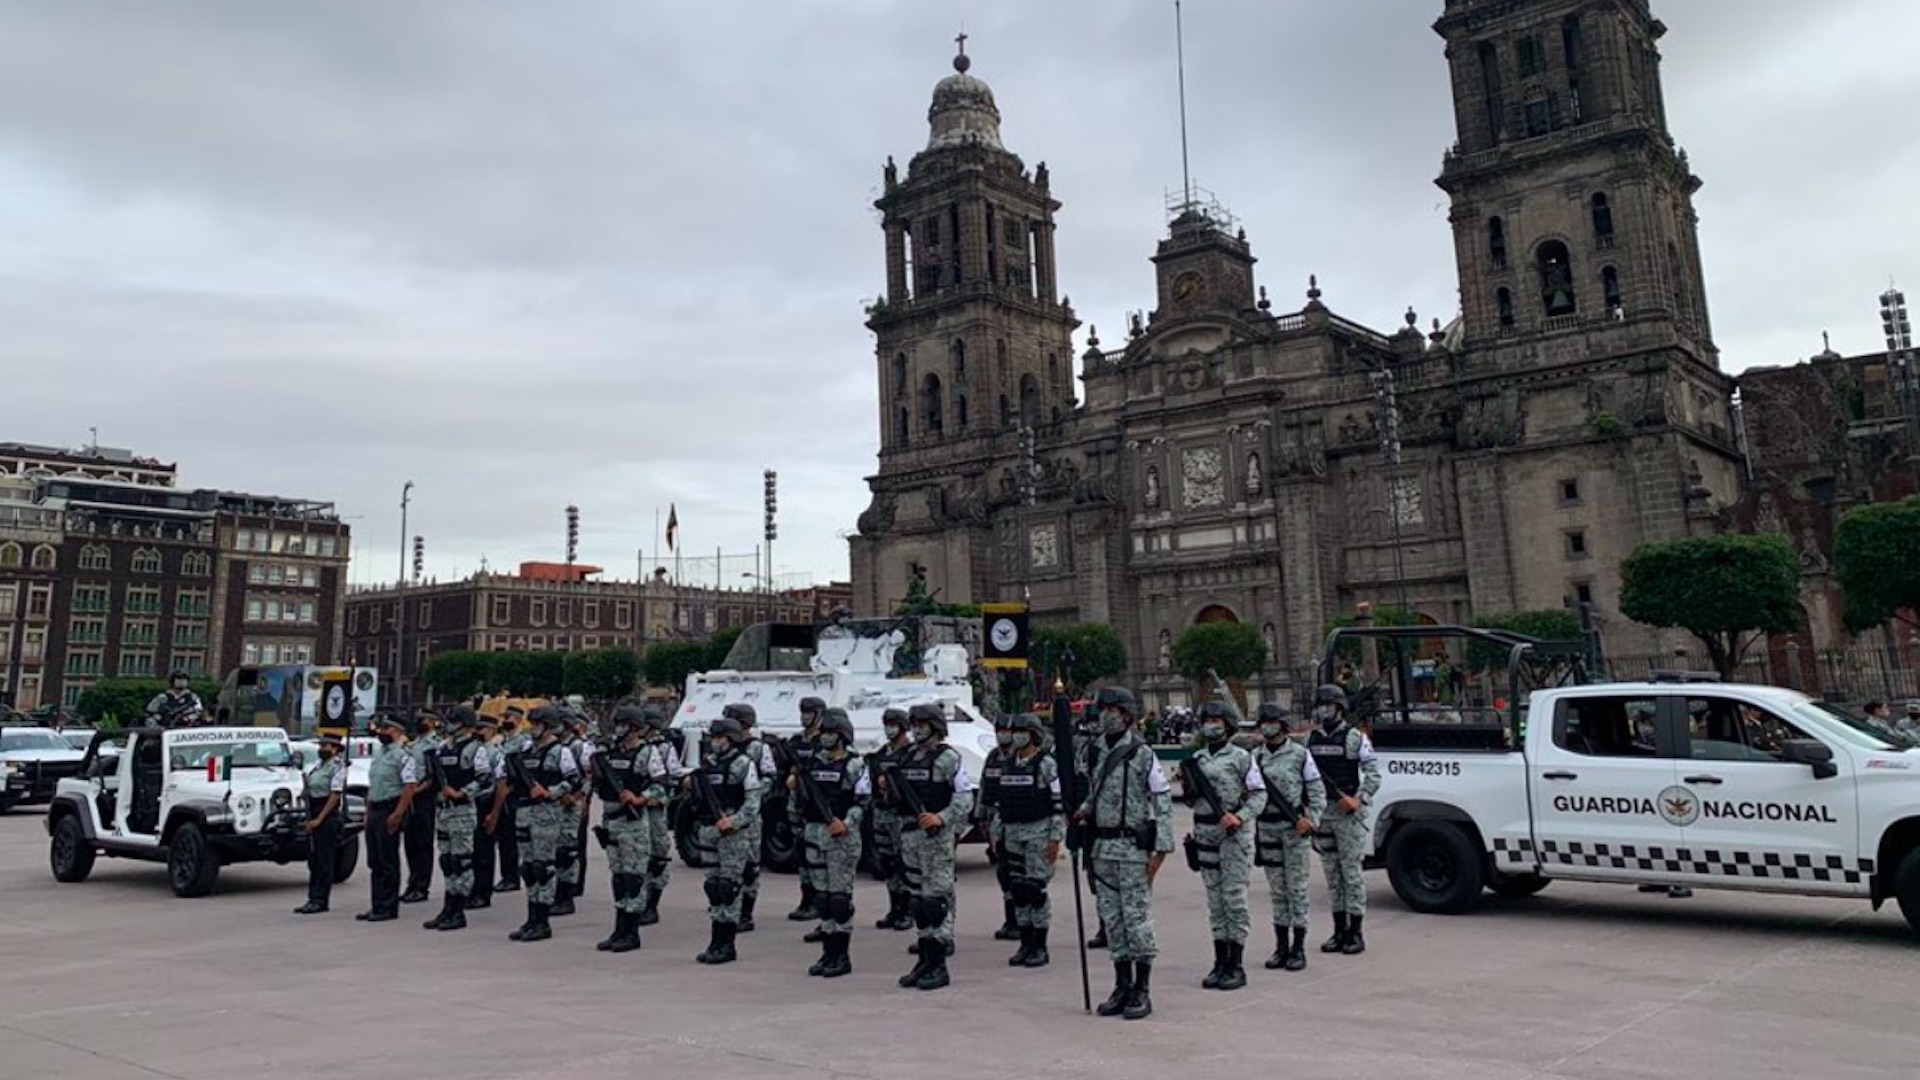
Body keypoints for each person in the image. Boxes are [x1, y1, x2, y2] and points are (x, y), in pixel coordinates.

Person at [1072, 686, 1173, 1020]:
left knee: (1136, 920)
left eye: (1113, 709)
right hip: (1102, 848)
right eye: (1103, 709)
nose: (1106, 715)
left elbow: (1162, 799)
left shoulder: (1142, 752)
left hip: (1132, 848)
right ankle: (1121, 985)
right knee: (1113, 920)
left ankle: (1142, 989)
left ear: (1127, 714)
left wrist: (1162, 849)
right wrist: (1084, 811)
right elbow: (1096, 791)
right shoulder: (1096, 749)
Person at [1183, 699, 1266, 991]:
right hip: (1205, 833)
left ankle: (1236, 963)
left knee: (1233, 899)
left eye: (1217, 720)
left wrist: (1240, 817)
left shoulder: (1242, 757)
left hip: (1233, 835)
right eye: (1207, 719)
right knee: (1215, 902)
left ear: (1228, 724)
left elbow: (1259, 795)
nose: (1211, 725)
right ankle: (1219, 961)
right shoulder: (1197, 759)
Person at [893, 703, 974, 991]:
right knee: (917, 901)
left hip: (935, 839)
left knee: (934, 902)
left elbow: (964, 798)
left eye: (922, 723)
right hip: (910, 837)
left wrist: (941, 817)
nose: (916, 729)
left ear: (935, 726)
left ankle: (939, 965)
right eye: (913, 723)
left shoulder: (948, 758)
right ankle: (924, 959)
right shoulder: (907, 758)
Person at [1307, 684, 1382, 955]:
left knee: (1351, 873)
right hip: (1322, 814)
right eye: (1320, 705)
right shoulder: (1311, 739)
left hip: (1347, 814)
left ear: (1339, 707)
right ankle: (1338, 930)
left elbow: (1374, 774)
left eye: (1328, 705)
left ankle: (1356, 932)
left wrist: (1358, 799)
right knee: (1332, 873)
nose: (1323, 710)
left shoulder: (1354, 738)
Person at [1252, 703, 1325, 972]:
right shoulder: (1255, 758)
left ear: (1283, 725)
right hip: (1267, 829)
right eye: (1264, 723)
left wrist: (1312, 820)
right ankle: (1280, 946)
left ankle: (1298, 947)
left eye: (1272, 722)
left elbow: (1316, 791)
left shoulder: (1299, 755)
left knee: (1297, 889)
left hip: (1295, 829)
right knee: (1278, 891)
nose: (1268, 727)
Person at [797, 707, 868, 978]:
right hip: (815, 836)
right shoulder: (814, 763)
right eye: (822, 732)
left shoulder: (855, 764)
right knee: (824, 900)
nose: (825, 737)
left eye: (829, 732)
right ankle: (827, 953)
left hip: (841, 839)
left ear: (842, 735)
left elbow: (863, 802)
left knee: (839, 900)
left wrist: (846, 823)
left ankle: (841, 956)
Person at [690, 715, 763, 965]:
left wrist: (733, 821)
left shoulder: (744, 764)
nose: (715, 742)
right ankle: (715, 940)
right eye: (713, 737)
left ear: (731, 739)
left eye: (720, 737)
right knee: (713, 887)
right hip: (709, 830)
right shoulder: (708, 764)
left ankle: (727, 944)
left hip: (732, 833)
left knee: (729, 887)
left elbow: (753, 803)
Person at [996, 713, 1064, 968]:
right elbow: (1002, 801)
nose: (1017, 736)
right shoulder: (1007, 763)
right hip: (1013, 834)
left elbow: (1057, 803)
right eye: (1015, 731)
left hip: (1038, 833)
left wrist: (1055, 837)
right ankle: (1025, 943)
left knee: (1035, 890)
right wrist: (997, 832)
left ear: (1034, 734)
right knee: (1019, 890)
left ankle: (1040, 945)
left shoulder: (1045, 764)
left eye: (1023, 731)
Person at [508, 705, 579, 943]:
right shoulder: (526, 751)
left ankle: (542, 920)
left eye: (537, 724)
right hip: (525, 812)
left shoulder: (561, 751)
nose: (532, 728)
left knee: (543, 867)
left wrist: (550, 792)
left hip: (546, 813)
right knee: (528, 868)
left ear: (548, 726)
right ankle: (531, 917)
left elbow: (574, 781)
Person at [422, 706, 495, 932]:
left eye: (453, 720)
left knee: (461, 861)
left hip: (462, 809)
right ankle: (448, 907)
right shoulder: (443, 747)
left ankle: (458, 910)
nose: (449, 724)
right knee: (448, 861)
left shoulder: (475, 748)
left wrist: (463, 792)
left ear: (463, 723)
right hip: (444, 809)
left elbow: (485, 779)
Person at [592, 705, 655, 953]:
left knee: (633, 878)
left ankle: (632, 932)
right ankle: (619, 928)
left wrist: (641, 798)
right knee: (618, 877)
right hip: (612, 820)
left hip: (633, 823)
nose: (619, 729)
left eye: (623, 724)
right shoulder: (610, 753)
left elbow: (662, 786)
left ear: (635, 728)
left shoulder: (646, 753)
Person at [358, 714, 420, 923]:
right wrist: (367, 812)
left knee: (387, 860)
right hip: (375, 808)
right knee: (374, 860)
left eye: (386, 729)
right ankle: (377, 904)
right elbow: (373, 785)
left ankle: (388, 906)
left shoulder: (403, 756)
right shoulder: (379, 753)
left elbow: (410, 787)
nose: (382, 733)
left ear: (397, 731)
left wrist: (398, 814)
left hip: (389, 808)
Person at [728, 703, 777, 932]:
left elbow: (770, 777)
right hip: (727, 814)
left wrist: (754, 793)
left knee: (749, 865)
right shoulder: (727, 748)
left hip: (749, 815)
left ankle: (746, 913)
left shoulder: (757, 748)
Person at [866, 708, 914, 931]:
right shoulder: (881, 754)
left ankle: (907, 910)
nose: (889, 728)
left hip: (900, 816)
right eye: (886, 723)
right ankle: (894, 908)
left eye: (893, 724)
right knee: (888, 863)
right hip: (881, 813)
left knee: (904, 863)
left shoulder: (911, 754)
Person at [294, 733, 349, 915]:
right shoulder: (318, 766)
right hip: (314, 809)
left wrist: (319, 819)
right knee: (314, 858)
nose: (321, 749)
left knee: (324, 859)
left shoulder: (338, 767)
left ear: (334, 749)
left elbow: (334, 796)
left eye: (325, 746)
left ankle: (320, 899)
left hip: (327, 814)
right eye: (321, 745)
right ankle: (312, 897)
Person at [636, 705, 680, 926]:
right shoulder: (636, 747)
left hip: (655, 810)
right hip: (637, 810)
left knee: (657, 857)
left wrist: (658, 798)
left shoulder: (664, 748)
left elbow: (672, 779)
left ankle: (652, 905)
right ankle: (640, 901)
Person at [978, 713, 1020, 942]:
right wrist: (981, 817)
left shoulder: (1020, 757)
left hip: (1015, 820)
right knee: (1003, 872)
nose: (1002, 734)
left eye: (1006, 730)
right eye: (999, 730)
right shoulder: (993, 757)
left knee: (1018, 873)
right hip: (995, 821)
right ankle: (1010, 920)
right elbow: (985, 787)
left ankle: (1023, 922)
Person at [788, 695, 828, 925]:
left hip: (815, 804)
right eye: (802, 712)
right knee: (801, 853)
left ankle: (818, 900)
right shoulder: (796, 742)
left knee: (817, 854)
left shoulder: (825, 742)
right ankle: (807, 897)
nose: (805, 717)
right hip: (797, 803)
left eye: (809, 712)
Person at [550, 710, 594, 917]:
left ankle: (569, 892)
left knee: (571, 849)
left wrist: (580, 798)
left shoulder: (579, 746)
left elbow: (587, 775)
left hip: (573, 801)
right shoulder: (557, 746)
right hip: (557, 802)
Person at [400, 711, 442, 905]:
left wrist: (415, 791)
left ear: (433, 722)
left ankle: (421, 886)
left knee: (423, 844)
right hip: (410, 797)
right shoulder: (413, 743)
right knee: (410, 843)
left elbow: (432, 776)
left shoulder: (434, 745)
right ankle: (412, 882)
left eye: (424, 720)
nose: (420, 722)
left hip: (424, 798)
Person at [488, 705, 528, 896]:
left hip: (513, 794)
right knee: (503, 837)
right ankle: (506, 875)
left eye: (509, 717)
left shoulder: (523, 742)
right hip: (500, 792)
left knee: (511, 838)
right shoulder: (503, 741)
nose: (506, 721)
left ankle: (512, 877)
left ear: (519, 719)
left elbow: (522, 769)